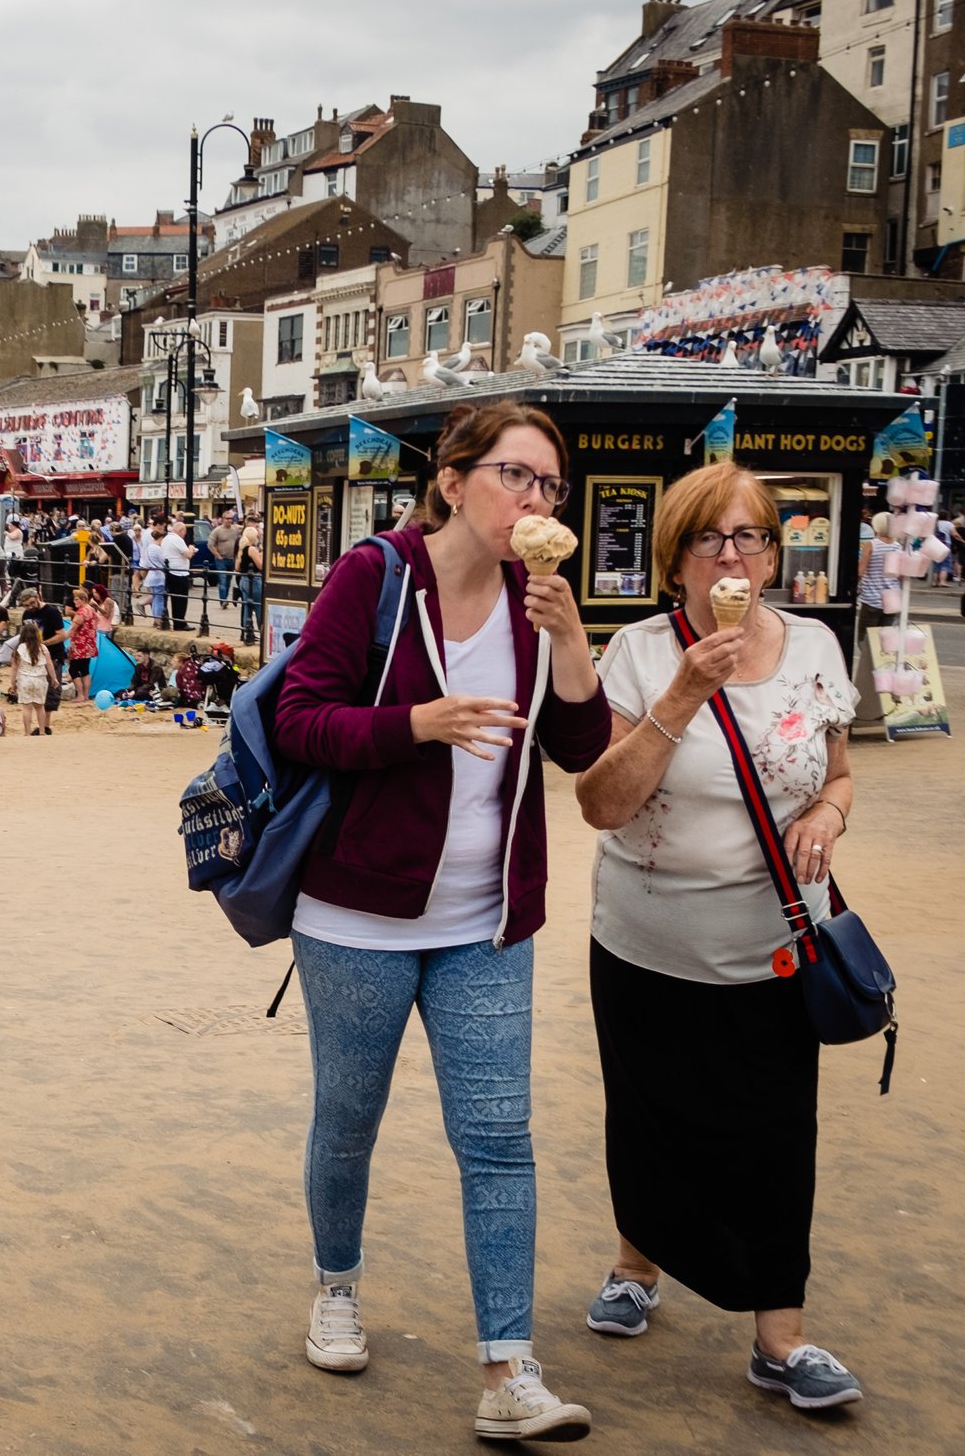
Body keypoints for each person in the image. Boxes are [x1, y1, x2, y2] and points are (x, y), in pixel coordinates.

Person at [271, 401, 610, 1441]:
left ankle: (507, 1367)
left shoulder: (534, 599)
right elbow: (299, 717)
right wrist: (417, 723)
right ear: (454, 480)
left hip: (485, 917)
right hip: (357, 911)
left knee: (499, 1136)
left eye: (550, 486)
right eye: (516, 475)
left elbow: (580, 744)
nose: (534, 500)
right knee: (349, 1117)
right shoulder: (373, 577)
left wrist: (570, 642)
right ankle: (336, 1284)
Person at [571, 461, 866, 1411]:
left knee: (778, 1133)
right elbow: (601, 804)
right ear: (676, 560)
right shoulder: (642, 654)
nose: (731, 555)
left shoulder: (817, 646)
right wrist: (683, 697)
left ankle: (781, 1339)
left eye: (750, 537)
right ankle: (636, 1266)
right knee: (650, 1113)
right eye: (709, 539)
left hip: (776, 943)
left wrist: (827, 814)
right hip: (647, 943)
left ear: (774, 553)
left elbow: (840, 775)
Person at [9, 620, 53, 735]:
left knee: (27, 707)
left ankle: (27, 732)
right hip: (40, 679)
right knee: (40, 706)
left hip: (24, 679)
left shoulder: (19, 649)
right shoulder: (42, 648)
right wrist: (54, 678)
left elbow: (14, 668)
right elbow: (49, 664)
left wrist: (12, 683)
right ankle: (42, 731)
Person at [65, 584, 104, 702]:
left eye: (76, 599)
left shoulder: (81, 612)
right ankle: (86, 695)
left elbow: (73, 628)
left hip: (80, 645)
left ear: (83, 600)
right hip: (89, 644)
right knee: (85, 670)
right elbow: (98, 620)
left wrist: (65, 638)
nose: (74, 601)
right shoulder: (91, 610)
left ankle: (80, 695)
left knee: (73, 670)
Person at [161, 517, 193, 631]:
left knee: (175, 599)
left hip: (170, 571)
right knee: (181, 599)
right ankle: (180, 623)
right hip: (179, 573)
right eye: (184, 532)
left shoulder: (166, 539)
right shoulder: (177, 540)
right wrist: (191, 548)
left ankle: (177, 622)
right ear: (181, 531)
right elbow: (187, 554)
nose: (184, 535)